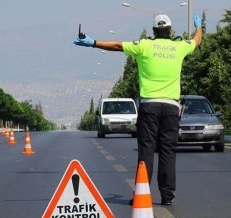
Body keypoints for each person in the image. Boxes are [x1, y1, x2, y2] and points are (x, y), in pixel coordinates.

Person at [74, 13, 203, 205]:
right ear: (170, 30)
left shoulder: (144, 45)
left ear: (153, 31)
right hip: (171, 107)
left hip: (149, 106)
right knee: (168, 151)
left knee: (146, 151)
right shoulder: (179, 46)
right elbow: (196, 40)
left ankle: (142, 193)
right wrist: (198, 26)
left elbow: (118, 46)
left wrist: (93, 42)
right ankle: (167, 196)